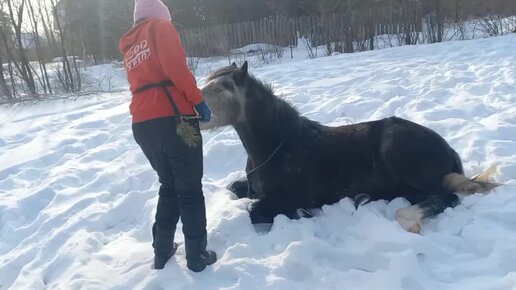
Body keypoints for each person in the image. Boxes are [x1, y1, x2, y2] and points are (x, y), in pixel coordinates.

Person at [119, 0, 216, 272]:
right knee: (189, 190)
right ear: (160, 15)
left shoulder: (129, 45)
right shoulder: (160, 27)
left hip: (143, 124)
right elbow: (176, 68)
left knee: (169, 185)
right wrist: (198, 101)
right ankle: (197, 256)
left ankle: (161, 251)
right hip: (175, 120)